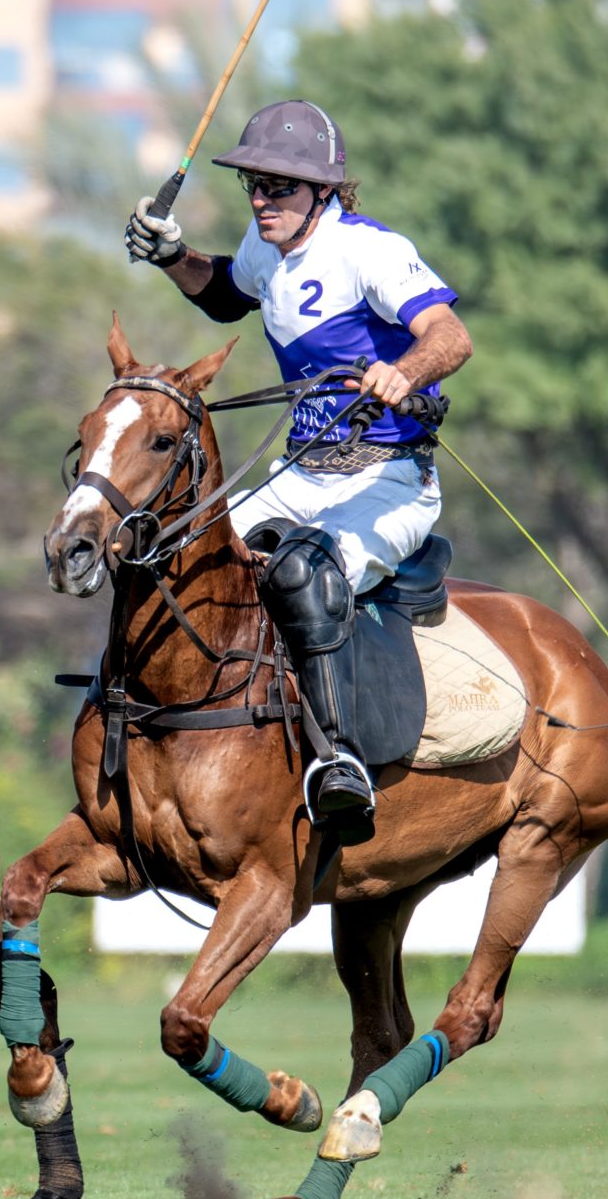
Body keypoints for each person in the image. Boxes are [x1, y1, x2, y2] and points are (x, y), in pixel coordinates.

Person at [122, 101, 473, 843]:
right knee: (180, 551)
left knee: (301, 575)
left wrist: (403, 373)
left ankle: (338, 762)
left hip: (389, 477)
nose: (262, 200)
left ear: (325, 192)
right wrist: (171, 256)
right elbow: (226, 296)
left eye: (280, 188)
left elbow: (451, 336)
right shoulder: (265, 241)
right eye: (255, 184)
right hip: (304, 473)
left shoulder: (370, 251)